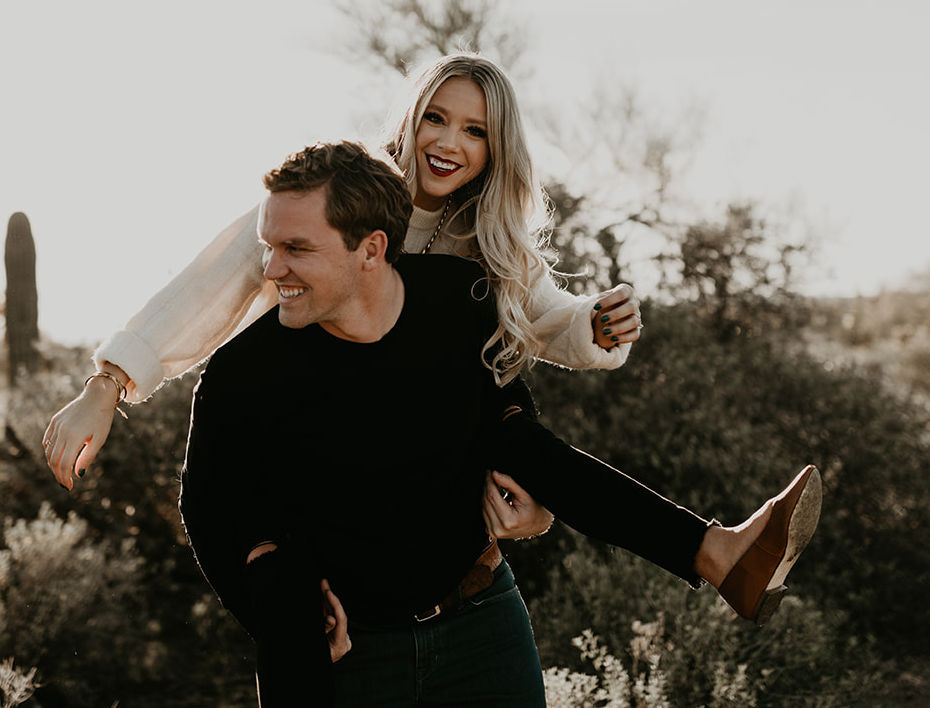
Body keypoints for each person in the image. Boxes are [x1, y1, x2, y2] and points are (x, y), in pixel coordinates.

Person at [44, 52, 817, 620]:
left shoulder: (486, 239)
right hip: (340, 412)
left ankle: (721, 555)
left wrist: (596, 324)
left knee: (516, 426)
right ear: (411, 119)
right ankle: (715, 552)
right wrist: (107, 384)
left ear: (495, 150)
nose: (448, 142)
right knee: (507, 429)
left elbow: (550, 319)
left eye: (474, 131)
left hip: (437, 425)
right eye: (436, 118)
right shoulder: (341, 195)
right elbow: (210, 283)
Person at [180, 141, 821, 705]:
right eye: (269, 248)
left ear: (371, 249)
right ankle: (720, 556)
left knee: (526, 443)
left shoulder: (461, 299)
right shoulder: (243, 374)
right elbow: (204, 509)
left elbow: (516, 429)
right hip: (350, 659)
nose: (271, 271)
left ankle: (722, 556)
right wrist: (277, 615)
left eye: (296, 249)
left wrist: (536, 507)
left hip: (481, 629)